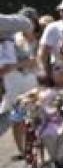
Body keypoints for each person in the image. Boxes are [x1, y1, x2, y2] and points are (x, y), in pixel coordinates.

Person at [0, 10, 35, 139]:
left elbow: (26, 23)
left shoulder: (4, 23)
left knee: (14, 112)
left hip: (19, 78)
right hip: (11, 78)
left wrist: (29, 39)